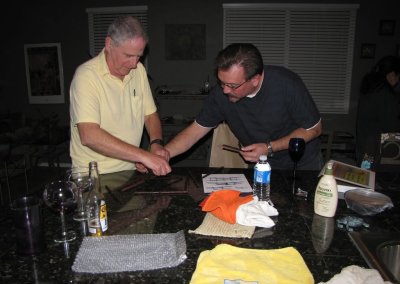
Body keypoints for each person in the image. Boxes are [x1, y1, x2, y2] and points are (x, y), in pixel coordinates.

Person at [164, 43, 323, 170]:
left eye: (232, 85)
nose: (225, 90)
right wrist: (162, 155)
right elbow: (195, 132)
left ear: (255, 79)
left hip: (302, 162)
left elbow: (314, 129)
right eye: (222, 82)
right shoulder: (220, 94)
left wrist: (269, 148)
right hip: (263, 165)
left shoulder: (287, 84)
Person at [69, 16, 171, 176]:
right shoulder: (86, 76)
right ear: (109, 44)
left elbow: (150, 115)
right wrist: (143, 156)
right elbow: (89, 135)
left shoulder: (139, 71)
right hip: (94, 175)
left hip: (129, 170)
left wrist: (156, 143)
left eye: (139, 56)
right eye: (128, 55)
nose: (134, 63)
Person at [356, 55, 400, 166]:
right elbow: (392, 127)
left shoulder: (370, 88)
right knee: (372, 177)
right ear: (392, 75)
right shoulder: (385, 94)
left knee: (365, 173)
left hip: (365, 144)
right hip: (376, 148)